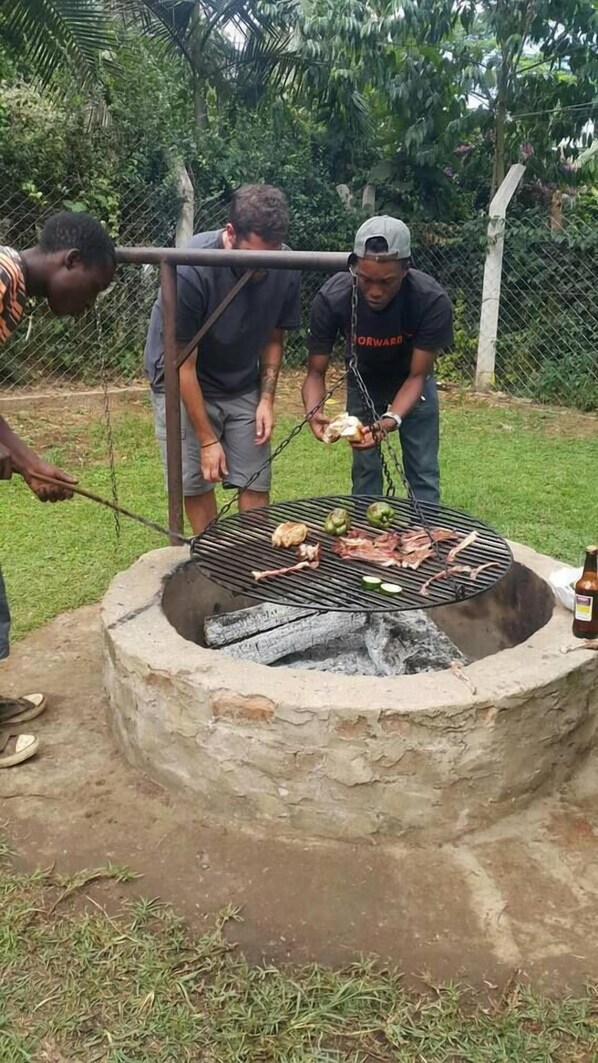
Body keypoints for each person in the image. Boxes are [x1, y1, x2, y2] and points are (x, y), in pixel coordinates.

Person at [0, 211, 116, 767]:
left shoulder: (12, 289)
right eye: (92, 289)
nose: (87, 305)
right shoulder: (0, 277)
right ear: (70, 261)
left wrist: (28, 462)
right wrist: (21, 462)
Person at [144, 184, 301, 534]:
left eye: (271, 257)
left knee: (255, 477)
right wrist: (207, 439)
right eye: (253, 258)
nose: (262, 269)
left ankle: (250, 560)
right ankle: (211, 561)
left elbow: (275, 335)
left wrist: (267, 398)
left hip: (240, 377)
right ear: (230, 233)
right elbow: (183, 363)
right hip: (179, 377)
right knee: (197, 481)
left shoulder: (285, 265)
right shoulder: (191, 267)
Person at [302, 215, 453, 504]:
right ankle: (365, 536)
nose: (374, 291)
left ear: (405, 269)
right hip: (364, 381)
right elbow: (315, 373)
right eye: (366, 279)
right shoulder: (333, 297)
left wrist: (389, 421)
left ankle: (424, 538)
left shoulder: (429, 301)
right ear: (353, 267)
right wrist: (313, 410)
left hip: (411, 385)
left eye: (386, 282)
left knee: (422, 470)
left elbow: (417, 376)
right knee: (365, 470)